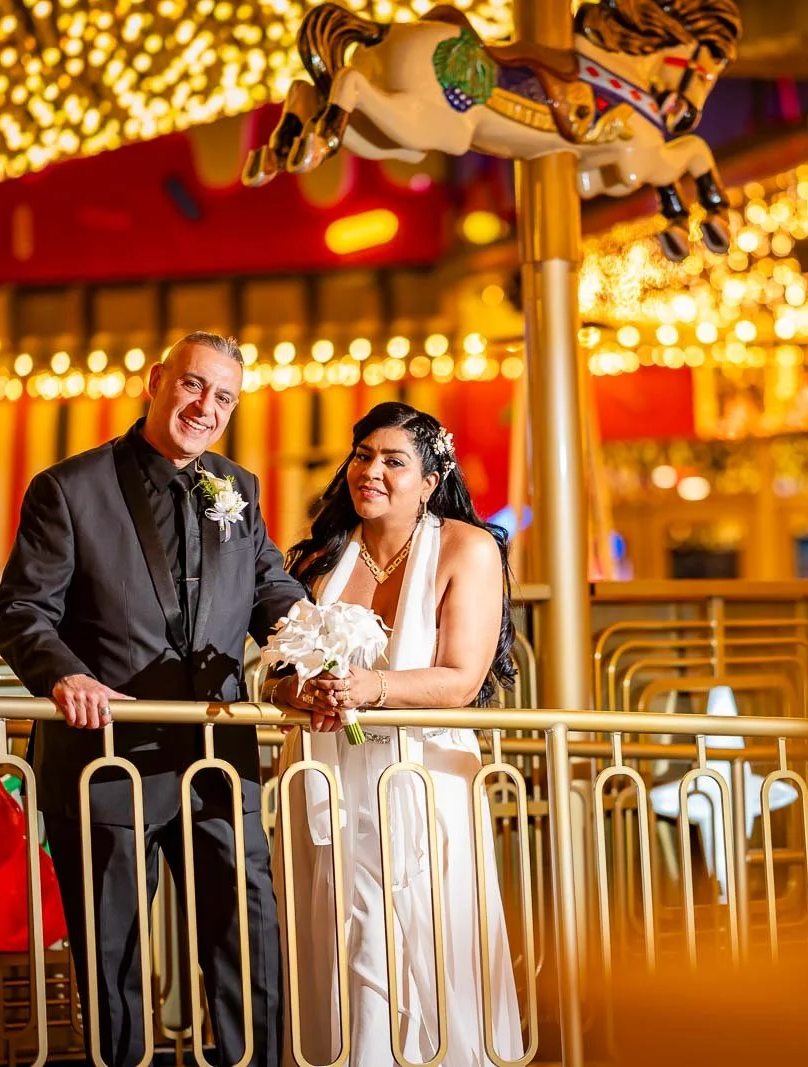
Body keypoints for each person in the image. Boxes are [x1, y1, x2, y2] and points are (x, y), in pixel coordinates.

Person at [0, 331, 303, 1067]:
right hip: (108, 760)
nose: (206, 407)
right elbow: (21, 612)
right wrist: (63, 673)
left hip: (217, 761)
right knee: (113, 964)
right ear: (158, 379)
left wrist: (315, 644)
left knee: (248, 941)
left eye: (224, 396)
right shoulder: (69, 488)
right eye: (195, 385)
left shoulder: (239, 488)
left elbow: (270, 590)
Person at [279, 401, 523, 1066]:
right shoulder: (324, 559)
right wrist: (306, 691)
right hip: (329, 776)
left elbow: (461, 678)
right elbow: (279, 673)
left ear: (430, 476)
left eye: (394, 460)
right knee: (341, 936)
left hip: (424, 779)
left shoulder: (468, 549)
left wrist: (368, 688)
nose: (372, 471)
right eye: (363, 455)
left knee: (426, 931)